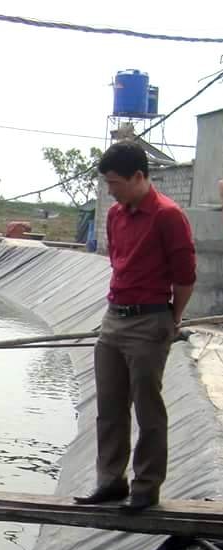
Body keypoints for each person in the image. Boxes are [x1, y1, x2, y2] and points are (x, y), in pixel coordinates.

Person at [74, 141, 196, 513]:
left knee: (148, 408)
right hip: (114, 318)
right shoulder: (115, 214)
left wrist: (172, 319)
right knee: (109, 408)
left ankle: (145, 487)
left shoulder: (168, 216)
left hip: (151, 319)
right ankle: (110, 481)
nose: (110, 189)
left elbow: (185, 277)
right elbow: (118, 262)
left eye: (115, 182)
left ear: (139, 177)